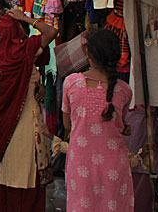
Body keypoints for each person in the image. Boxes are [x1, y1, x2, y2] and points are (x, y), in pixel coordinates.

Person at [0, 8, 59, 212]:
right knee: (27, 170)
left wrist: (34, 83)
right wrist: (26, 18)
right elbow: (51, 32)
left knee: (9, 170)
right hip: (25, 121)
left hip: (5, 122)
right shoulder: (26, 49)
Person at [63, 29, 134, 212]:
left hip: (80, 163)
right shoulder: (124, 90)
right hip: (114, 164)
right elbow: (119, 123)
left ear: (89, 53)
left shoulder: (71, 83)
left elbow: (67, 125)